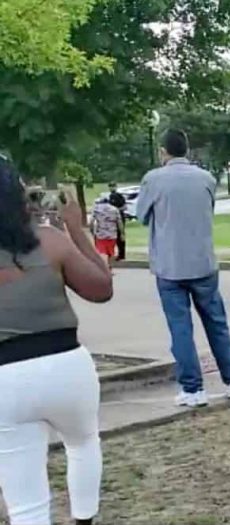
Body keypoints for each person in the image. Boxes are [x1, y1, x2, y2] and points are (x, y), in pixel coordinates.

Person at [0, 158, 113, 525]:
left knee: (26, 503)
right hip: (66, 365)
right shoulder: (49, 239)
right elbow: (101, 289)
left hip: (6, 378)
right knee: (82, 443)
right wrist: (76, 230)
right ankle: (85, 519)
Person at [136, 129, 230, 408]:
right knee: (217, 323)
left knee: (180, 328)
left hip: (169, 266)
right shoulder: (206, 178)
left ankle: (193, 389)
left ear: (163, 152)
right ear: (187, 149)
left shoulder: (153, 179)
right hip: (204, 262)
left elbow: (141, 215)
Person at [90, 197, 122, 268]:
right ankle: (110, 266)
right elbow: (119, 222)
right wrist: (122, 233)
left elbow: (91, 221)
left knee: (102, 252)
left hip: (100, 234)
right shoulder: (114, 209)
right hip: (112, 234)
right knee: (111, 252)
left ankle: (104, 267)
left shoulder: (96, 209)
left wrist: (92, 231)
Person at [107, 182, 127, 261]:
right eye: (110, 186)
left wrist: (115, 210)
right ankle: (113, 253)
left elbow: (125, 207)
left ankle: (122, 254)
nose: (112, 188)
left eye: (113, 186)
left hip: (120, 218)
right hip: (112, 219)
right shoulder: (109, 197)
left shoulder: (119, 196)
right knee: (112, 236)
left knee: (120, 236)